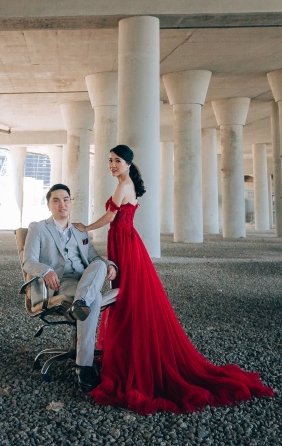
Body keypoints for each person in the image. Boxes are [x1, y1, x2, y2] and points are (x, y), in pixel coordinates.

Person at [73, 144, 274, 415]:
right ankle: (128, 351)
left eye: (117, 161)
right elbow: (115, 219)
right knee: (124, 295)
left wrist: (85, 227)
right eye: (109, 160)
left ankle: (133, 355)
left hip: (125, 241)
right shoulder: (125, 183)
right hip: (124, 241)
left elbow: (111, 217)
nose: (112, 165)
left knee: (127, 295)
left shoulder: (123, 186)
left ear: (128, 163)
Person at [23, 183, 117, 391]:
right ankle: (84, 366)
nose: (61, 204)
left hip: (83, 281)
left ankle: (81, 303)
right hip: (59, 283)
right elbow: (27, 261)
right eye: (55, 200)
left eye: (65, 199)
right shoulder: (39, 228)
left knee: (100, 264)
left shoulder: (80, 231)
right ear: (49, 205)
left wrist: (110, 265)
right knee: (96, 299)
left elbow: (94, 258)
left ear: (71, 203)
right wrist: (46, 271)